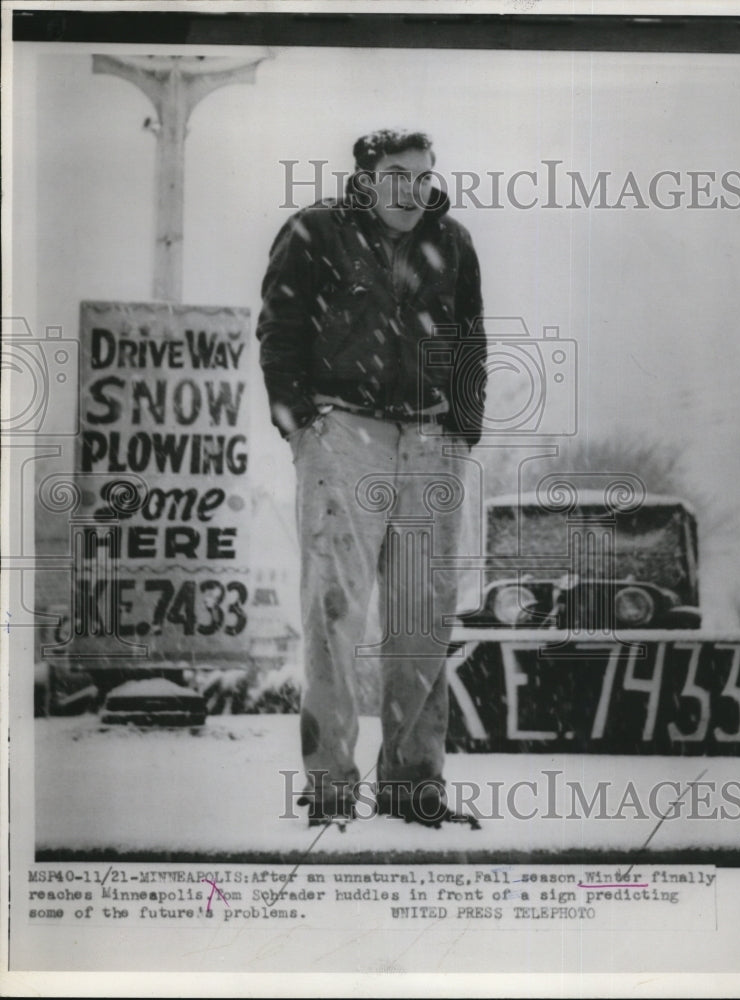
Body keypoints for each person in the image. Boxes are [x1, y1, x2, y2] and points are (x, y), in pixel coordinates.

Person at [257, 128, 486, 828]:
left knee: (421, 616)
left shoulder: (451, 242)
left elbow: (470, 336)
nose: (411, 191)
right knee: (335, 610)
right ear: (365, 178)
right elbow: (280, 325)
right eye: (397, 176)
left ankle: (413, 786)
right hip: (344, 432)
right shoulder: (313, 231)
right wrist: (301, 424)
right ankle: (329, 786)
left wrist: (461, 430)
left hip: (430, 437)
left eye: (422, 177)